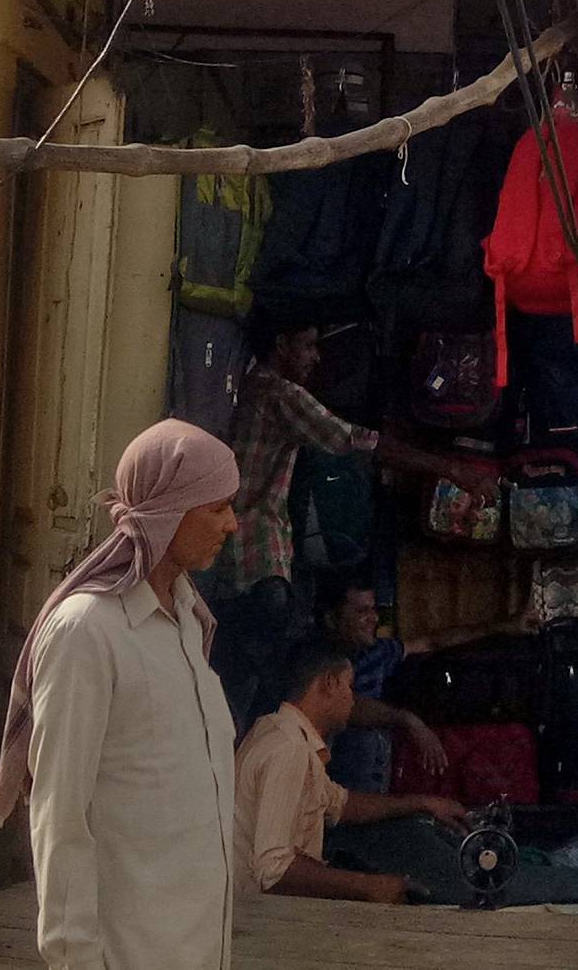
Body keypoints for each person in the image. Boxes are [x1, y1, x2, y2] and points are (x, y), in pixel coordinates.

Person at [0, 419, 241, 970]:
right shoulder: (88, 631)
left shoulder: (187, 622)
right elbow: (59, 814)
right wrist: (73, 956)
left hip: (196, 948)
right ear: (169, 510)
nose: (233, 525)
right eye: (217, 508)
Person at [214, 314, 495, 728]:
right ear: (280, 345)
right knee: (252, 662)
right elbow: (353, 439)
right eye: (307, 346)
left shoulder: (259, 388)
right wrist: (452, 469)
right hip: (253, 550)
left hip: (249, 549)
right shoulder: (279, 393)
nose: (315, 357)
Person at [233, 638, 466, 905]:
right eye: (349, 686)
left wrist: (424, 803)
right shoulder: (289, 749)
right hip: (258, 918)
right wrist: (369, 887)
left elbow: (341, 804)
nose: (353, 701)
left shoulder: (281, 734)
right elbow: (273, 869)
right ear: (330, 684)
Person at [319, 582, 532, 792]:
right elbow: (342, 705)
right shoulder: (319, 658)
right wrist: (407, 720)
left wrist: (501, 626)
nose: (374, 618)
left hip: (381, 762)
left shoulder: (377, 651)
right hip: (339, 763)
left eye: (374, 609)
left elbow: (431, 642)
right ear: (332, 619)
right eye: (362, 611)